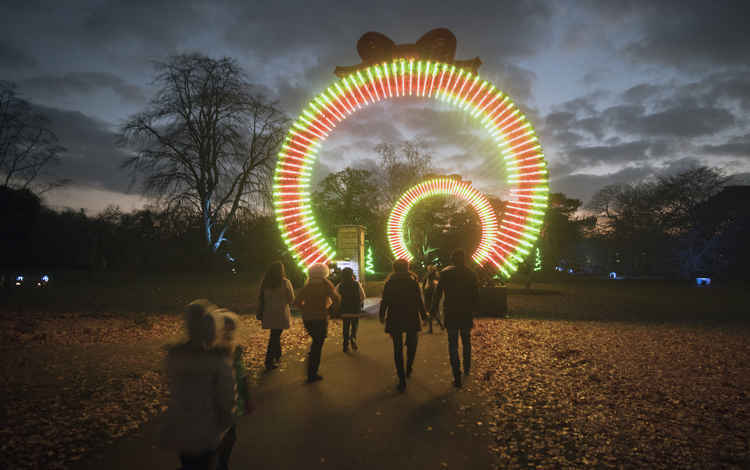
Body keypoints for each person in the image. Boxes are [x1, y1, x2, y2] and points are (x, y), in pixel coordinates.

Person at [159, 299, 236, 470]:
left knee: (188, 463)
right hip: (207, 426)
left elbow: (172, 387)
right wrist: (227, 418)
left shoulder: (175, 357)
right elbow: (226, 394)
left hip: (182, 426)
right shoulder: (217, 360)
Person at [212, 308, 254, 470]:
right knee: (224, 437)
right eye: (225, 330)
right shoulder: (212, 352)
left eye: (231, 331)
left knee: (229, 436)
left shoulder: (235, 350)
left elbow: (241, 375)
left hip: (230, 400)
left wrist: (247, 397)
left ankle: (221, 464)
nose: (228, 334)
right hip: (218, 400)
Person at [430, 249, 479, 388]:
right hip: (465, 313)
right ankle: (467, 367)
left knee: (452, 344)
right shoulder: (471, 274)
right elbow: (476, 295)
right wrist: (474, 310)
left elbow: (438, 293)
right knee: (466, 340)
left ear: (452, 260)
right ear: (464, 260)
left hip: (451, 312)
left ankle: (456, 375)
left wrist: (433, 309)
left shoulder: (445, 273)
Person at [379, 259, 427, 392]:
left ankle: (401, 379)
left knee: (397, 348)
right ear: (407, 267)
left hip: (395, 317)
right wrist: (423, 315)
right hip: (411, 316)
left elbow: (385, 300)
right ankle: (409, 367)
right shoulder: (413, 281)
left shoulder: (390, 282)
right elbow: (418, 300)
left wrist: (382, 315)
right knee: (412, 344)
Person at [294, 263, 341, 383]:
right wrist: (330, 310)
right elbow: (336, 299)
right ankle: (312, 371)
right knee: (318, 344)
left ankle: (311, 367)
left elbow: (297, 302)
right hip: (320, 317)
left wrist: (305, 309)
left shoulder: (307, 286)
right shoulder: (326, 285)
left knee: (316, 342)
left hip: (308, 318)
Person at [257, 261, 295, 371]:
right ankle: (269, 360)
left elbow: (261, 298)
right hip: (281, 312)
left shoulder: (266, 283)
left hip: (268, 312)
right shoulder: (285, 282)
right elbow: (291, 298)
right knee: (275, 335)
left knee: (274, 333)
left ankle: (277, 355)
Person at [336, 267, 366, 353]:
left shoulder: (340, 285)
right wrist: (359, 303)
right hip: (355, 309)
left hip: (345, 309)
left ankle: (345, 345)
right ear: (351, 274)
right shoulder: (356, 284)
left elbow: (336, 296)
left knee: (345, 327)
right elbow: (363, 296)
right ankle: (353, 337)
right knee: (354, 326)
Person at [422, 264, 444, 333]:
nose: (428, 270)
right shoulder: (429, 276)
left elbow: (435, 285)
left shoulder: (434, 276)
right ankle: (439, 325)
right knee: (431, 311)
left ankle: (432, 328)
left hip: (431, 295)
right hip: (428, 294)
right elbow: (424, 284)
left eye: (429, 269)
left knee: (430, 311)